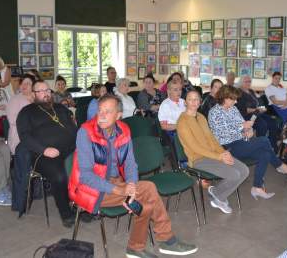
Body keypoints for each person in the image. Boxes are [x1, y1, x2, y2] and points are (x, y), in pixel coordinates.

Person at [71, 94, 198, 258]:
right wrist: (120, 191)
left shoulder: (123, 129)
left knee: (146, 200)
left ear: (118, 116)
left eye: (107, 112)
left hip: (117, 183)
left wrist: (131, 185)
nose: (101, 116)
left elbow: (130, 162)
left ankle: (138, 248)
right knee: (148, 195)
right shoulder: (86, 132)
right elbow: (86, 176)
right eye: (100, 111)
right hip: (91, 189)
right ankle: (163, 241)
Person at [208, 85, 287, 199]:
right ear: (225, 98)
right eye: (233, 99)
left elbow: (243, 124)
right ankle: (280, 166)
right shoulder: (214, 112)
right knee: (264, 140)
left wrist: (249, 130)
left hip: (240, 142)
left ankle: (257, 187)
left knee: (264, 154)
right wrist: (242, 127)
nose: (235, 102)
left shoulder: (233, 109)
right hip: (226, 147)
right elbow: (222, 133)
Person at [17, 80, 77, 227]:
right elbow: (24, 137)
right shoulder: (26, 112)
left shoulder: (60, 108)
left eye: (48, 90)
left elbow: (73, 127)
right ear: (34, 94)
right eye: (41, 91)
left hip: (70, 149)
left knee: (87, 167)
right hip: (43, 154)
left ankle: (82, 206)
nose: (46, 94)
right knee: (59, 175)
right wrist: (44, 150)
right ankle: (66, 213)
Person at [177, 90, 249, 214]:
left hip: (214, 155)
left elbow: (211, 139)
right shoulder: (182, 122)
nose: (194, 102)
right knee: (234, 174)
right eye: (190, 99)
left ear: (200, 102)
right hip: (198, 159)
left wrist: (224, 153)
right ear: (185, 102)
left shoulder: (201, 117)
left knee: (244, 170)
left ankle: (216, 194)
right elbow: (195, 148)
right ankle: (218, 197)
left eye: (196, 99)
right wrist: (219, 157)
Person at [236, 75, 281, 150]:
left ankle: (272, 145)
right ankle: (260, 146)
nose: (248, 83)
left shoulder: (251, 91)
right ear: (241, 82)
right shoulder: (239, 93)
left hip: (257, 113)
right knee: (262, 125)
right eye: (246, 81)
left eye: (249, 81)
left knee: (273, 122)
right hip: (247, 115)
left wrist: (263, 108)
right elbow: (242, 109)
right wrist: (255, 109)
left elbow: (259, 101)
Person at [6, 74, 35, 154]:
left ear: (33, 86)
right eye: (22, 83)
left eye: (27, 83)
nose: (24, 85)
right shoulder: (14, 100)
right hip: (19, 136)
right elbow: (13, 120)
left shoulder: (37, 98)